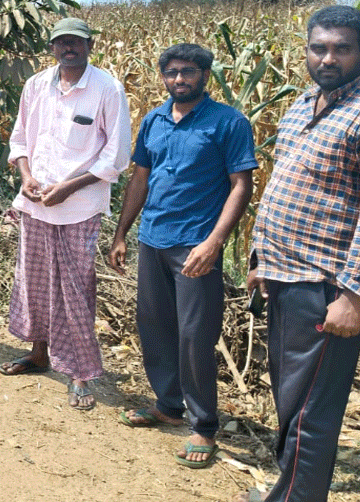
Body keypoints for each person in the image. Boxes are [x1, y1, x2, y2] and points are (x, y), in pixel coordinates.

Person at [236, 6, 360, 502]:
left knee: (313, 409)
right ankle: (290, 490)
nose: (329, 58)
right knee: (293, 401)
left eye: (342, 48)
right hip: (289, 275)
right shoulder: (304, 104)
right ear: (306, 51)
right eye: (319, 47)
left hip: (330, 286)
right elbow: (285, 188)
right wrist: (262, 261)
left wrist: (355, 295)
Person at [108, 43, 257, 467]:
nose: (179, 79)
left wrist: (213, 243)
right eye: (171, 72)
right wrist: (122, 233)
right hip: (153, 238)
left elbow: (241, 185)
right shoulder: (154, 120)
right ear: (163, 76)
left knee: (195, 337)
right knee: (154, 326)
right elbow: (140, 178)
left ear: (205, 75)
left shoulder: (228, 122)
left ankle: (203, 424)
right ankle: (168, 405)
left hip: (196, 246)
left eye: (188, 72)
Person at [0, 17, 130, 410]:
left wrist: (69, 187)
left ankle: (79, 373)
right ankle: (39, 353)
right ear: (52, 47)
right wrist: (25, 177)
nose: (68, 48)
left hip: (79, 207)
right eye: (61, 42)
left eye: (76, 42)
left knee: (75, 291)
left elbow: (117, 156)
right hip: (36, 203)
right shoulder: (36, 85)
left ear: (90, 46)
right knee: (34, 282)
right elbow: (20, 137)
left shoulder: (107, 88)